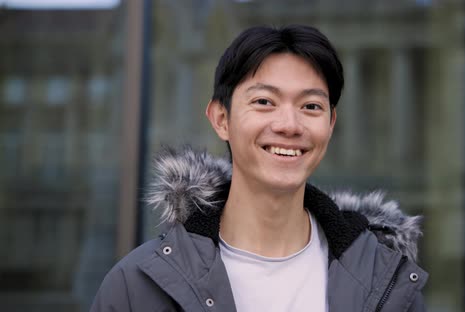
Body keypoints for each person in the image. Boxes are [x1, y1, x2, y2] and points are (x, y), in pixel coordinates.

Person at [91, 24, 428, 312]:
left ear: (330, 124)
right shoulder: (136, 287)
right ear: (221, 119)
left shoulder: (388, 284)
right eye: (264, 102)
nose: (289, 125)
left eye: (311, 106)